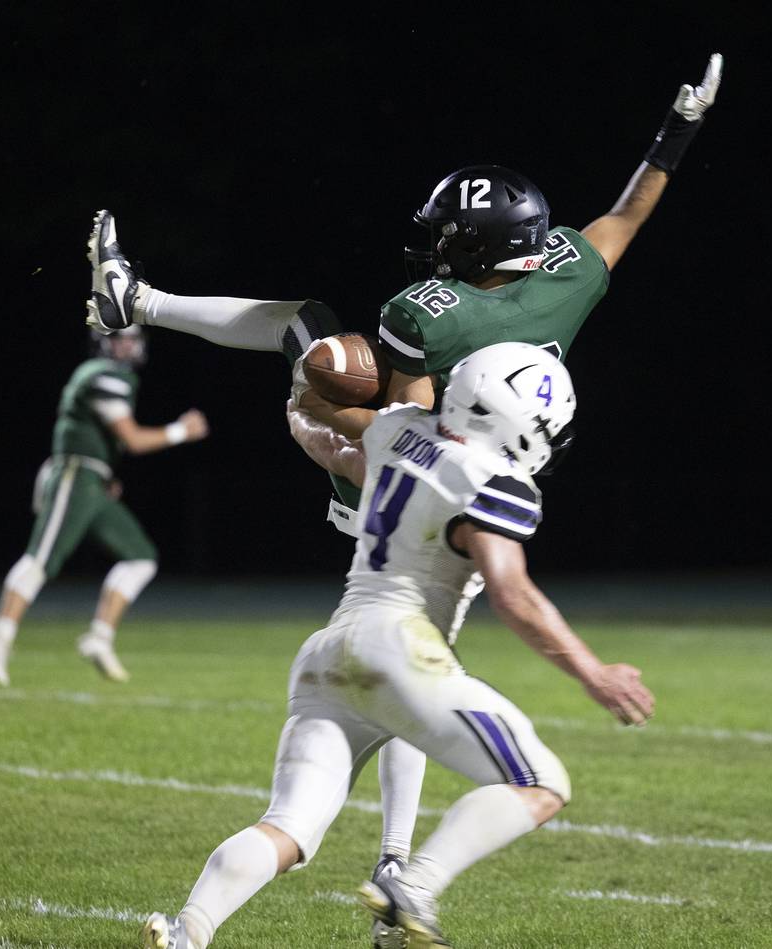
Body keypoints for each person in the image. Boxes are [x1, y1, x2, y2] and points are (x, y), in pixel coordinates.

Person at [84, 53, 720, 946]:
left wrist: (306, 409)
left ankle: (188, 929)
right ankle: (403, 875)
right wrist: (677, 134)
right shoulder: (502, 463)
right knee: (515, 755)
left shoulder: (419, 350)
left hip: (353, 579)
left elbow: (377, 431)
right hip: (417, 585)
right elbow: (621, 221)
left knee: (294, 820)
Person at [141, 342, 655, 949]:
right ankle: (415, 886)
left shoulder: (398, 430)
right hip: (402, 645)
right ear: (527, 424)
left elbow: (326, 437)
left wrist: (303, 392)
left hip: (330, 649)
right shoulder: (495, 479)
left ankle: (186, 931)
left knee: (288, 827)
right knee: (540, 783)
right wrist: (594, 673)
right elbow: (512, 594)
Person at [0, 326, 209, 687]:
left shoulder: (115, 377)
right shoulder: (102, 376)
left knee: (140, 557)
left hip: (92, 479)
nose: (127, 345)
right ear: (104, 343)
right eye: (119, 339)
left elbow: (108, 438)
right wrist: (181, 431)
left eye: (131, 339)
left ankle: (99, 637)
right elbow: (133, 439)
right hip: (74, 475)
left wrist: (106, 472)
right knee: (41, 559)